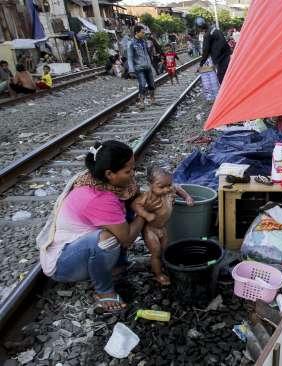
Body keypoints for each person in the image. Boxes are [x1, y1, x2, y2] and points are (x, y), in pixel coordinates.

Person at [37, 141, 154, 314]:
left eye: (133, 168)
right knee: (108, 240)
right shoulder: (99, 198)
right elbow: (127, 238)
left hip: (79, 243)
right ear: (109, 174)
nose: (133, 174)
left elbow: (135, 196)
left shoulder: (100, 180)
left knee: (126, 208)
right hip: (63, 263)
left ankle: (116, 266)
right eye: (128, 171)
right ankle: (104, 290)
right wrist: (145, 213)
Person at [131, 168, 194, 286]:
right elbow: (135, 204)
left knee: (165, 249)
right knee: (156, 252)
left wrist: (187, 197)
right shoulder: (147, 196)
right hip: (150, 229)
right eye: (161, 187)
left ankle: (165, 266)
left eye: (169, 185)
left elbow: (178, 188)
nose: (166, 189)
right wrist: (146, 214)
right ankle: (158, 274)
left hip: (162, 227)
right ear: (150, 185)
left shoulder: (170, 190)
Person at [127, 25, 157, 108]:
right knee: (142, 84)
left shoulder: (144, 42)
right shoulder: (131, 43)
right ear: (137, 32)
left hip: (147, 66)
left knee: (151, 84)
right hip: (139, 67)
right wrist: (131, 69)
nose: (144, 34)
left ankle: (152, 99)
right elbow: (130, 57)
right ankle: (141, 102)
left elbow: (148, 54)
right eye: (142, 32)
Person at [198, 19, 232, 84]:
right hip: (227, 55)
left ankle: (227, 93)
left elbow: (205, 51)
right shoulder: (216, 29)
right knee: (229, 74)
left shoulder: (207, 35)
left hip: (220, 59)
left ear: (200, 28)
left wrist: (201, 64)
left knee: (221, 78)